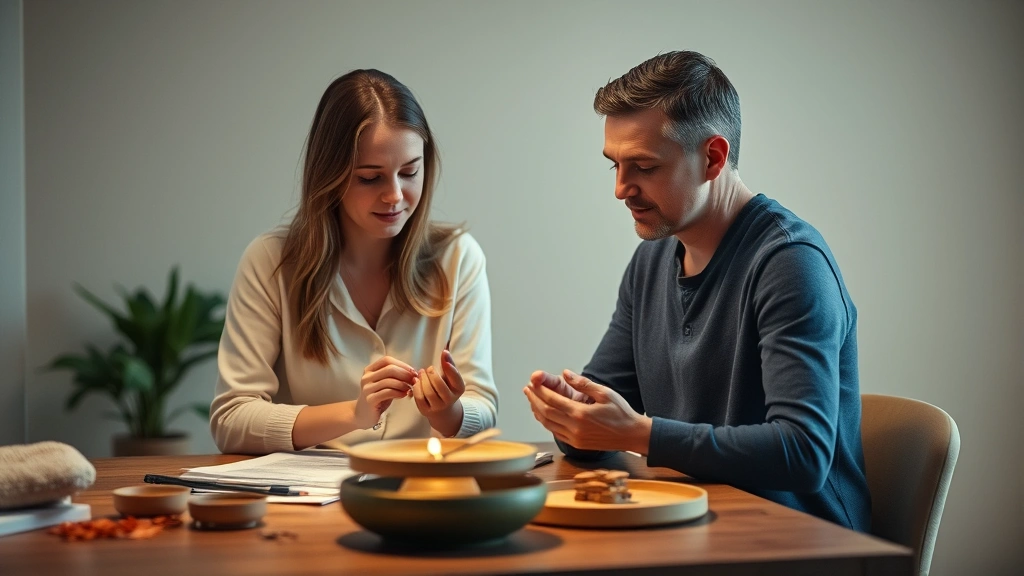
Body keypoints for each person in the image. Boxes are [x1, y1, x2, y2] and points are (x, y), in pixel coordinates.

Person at [523, 51, 870, 531]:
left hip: (803, 542)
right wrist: (576, 416)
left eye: (643, 166)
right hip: (697, 528)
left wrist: (640, 434)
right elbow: (608, 412)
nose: (622, 189)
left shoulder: (791, 264)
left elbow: (803, 454)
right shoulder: (651, 261)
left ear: (713, 157)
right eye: (615, 166)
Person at [211, 69, 497, 454]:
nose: (395, 195)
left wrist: (449, 411)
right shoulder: (270, 262)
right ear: (330, 176)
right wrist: (355, 413)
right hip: (306, 502)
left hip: (421, 492)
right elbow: (231, 419)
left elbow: (483, 409)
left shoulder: (459, 257)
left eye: (410, 171)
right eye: (369, 178)